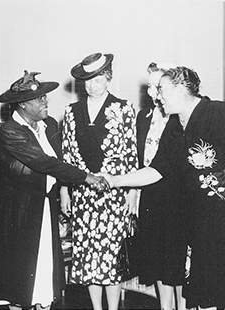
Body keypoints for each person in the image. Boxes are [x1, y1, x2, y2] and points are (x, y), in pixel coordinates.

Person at [101, 66, 225, 309]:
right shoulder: (175, 125)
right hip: (200, 224)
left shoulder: (218, 112)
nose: (157, 96)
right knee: (204, 296)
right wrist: (114, 180)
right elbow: (157, 170)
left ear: (179, 88)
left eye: (162, 89)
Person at [0, 70, 109, 310]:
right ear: (22, 104)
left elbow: (62, 159)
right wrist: (87, 178)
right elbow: (44, 162)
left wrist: (66, 188)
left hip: (45, 208)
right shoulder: (9, 131)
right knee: (19, 279)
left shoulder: (49, 124)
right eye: (39, 99)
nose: (46, 102)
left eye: (45, 97)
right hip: (18, 212)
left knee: (43, 275)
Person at [61, 52, 138, 310]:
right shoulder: (71, 111)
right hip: (83, 193)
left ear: (109, 78)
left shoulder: (124, 108)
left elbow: (130, 153)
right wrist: (65, 190)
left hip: (113, 193)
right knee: (87, 256)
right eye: (88, 81)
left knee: (111, 254)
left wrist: (131, 190)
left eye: (98, 80)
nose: (92, 86)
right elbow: (67, 155)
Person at [135, 62, 188, 310]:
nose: (153, 91)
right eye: (150, 86)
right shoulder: (143, 116)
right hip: (150, 193)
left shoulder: (180, 117)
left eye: (158, 86)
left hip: (177, 194)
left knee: (176, 257)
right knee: (157, 256)